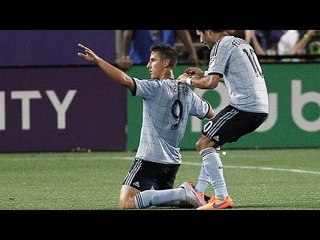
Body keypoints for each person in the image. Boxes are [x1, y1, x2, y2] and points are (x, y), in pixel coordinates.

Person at [77, 43, 214, 209]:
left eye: (152, 60)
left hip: (150, 158)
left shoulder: (155, 88)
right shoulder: (187, 92)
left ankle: (182, 192)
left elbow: (123, 79)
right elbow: (209, 112)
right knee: (163, 200)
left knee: (126, 203)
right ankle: (189, 197)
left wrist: (98, 60)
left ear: (165, 63)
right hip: (172, 163)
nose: (148, 65)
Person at [178, 30, 269, 210]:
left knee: (203, 143)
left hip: (245, 107)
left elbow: (211, 83)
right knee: (211, 142)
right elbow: (232, 75)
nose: (201, 39)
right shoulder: (240, 43)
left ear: (210, 31)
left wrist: (187, 80)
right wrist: (203, 73)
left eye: (200, 34)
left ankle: (222, 198)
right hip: (258, 107)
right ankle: (200, 191)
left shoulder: (221, 45)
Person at [117, 30, 199, 70]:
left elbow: (182, 31)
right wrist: (124, 56)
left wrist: (192, 53)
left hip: (165, 67)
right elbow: (127, 34)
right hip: (140, 65)